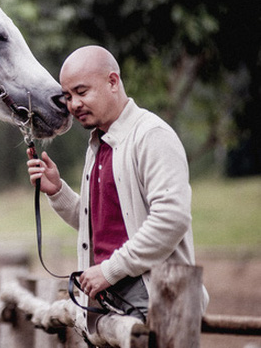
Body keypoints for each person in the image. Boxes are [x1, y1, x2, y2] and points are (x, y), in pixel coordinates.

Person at [27, 45, 208, 324]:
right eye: (67, 96)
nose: (73, 105)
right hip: (111, 298)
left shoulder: (151, 135)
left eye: (81, 92)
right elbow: (99, 225)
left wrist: (108, 271)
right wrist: (58, 191)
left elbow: (171, 219)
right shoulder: (99, 144)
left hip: (157, 298)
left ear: (112, 81)